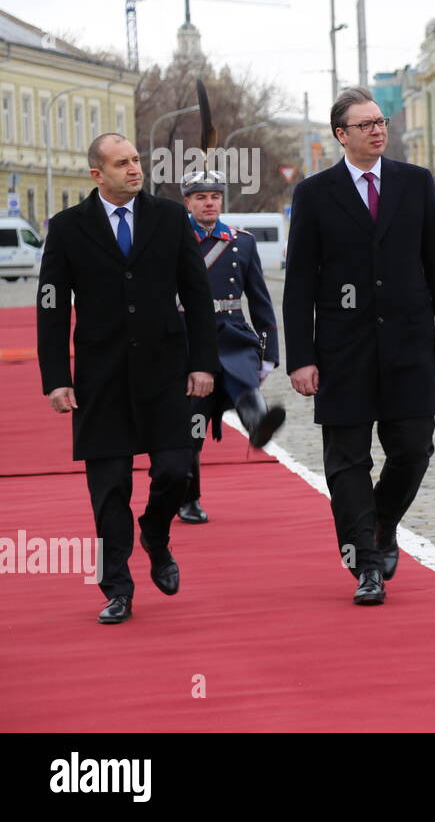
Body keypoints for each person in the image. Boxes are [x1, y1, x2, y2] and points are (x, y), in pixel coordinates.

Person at [283, 87, 435, 606]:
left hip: (410, 347)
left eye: (380, 121)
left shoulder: (415, 183)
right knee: (347, 461)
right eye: (364, 124)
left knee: (413, 447)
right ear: (341, 134)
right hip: (342, 351)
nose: (377, 130)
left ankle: (382, 523)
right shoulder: (315, 194)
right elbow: (299, 283)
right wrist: (302, 356)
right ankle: (366, 563)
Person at [37, 133, 218, 624]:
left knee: (176, 471)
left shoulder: (167, 217)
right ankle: (116, 586)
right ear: (98, 174)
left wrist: (203, 363)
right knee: (109, 489)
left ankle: (156, 535)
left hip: (165, 372)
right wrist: (56, 377)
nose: (135, 169)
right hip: (100, 377)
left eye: (137, 160)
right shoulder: (69, 228)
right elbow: (51, 306)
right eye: (122, 163)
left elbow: (197, 294)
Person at [178, 170, 286, 524]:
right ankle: (188, 497)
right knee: (192, 419)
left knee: (244, 376)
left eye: (214, 197)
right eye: (200, 197)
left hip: (232, 332)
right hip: (190, 337)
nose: (209, 203)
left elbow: (260, 299)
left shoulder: (242, 242)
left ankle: (258, 424)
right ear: (188, 203)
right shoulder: (173, 242)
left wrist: (269, 353)